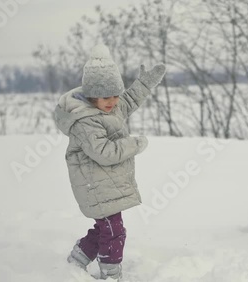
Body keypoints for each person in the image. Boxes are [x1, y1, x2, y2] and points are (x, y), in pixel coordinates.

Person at [54, 44, 166, 279]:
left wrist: (144, 84)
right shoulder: (85, 121)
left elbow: (130, 99)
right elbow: (104, 152)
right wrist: (135, 145)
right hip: (94, 186)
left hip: (105, 185)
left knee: (105, 228)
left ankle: (77, 259)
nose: (113, 101)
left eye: (115, 94)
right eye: (106, 97)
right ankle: (111, 273)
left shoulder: (110, 107)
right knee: (114, 231)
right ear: (92, 95)